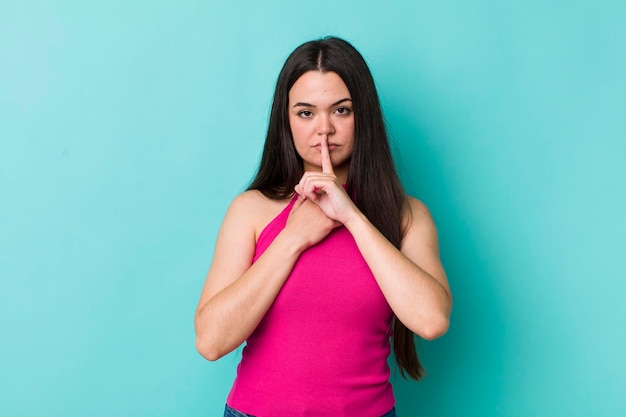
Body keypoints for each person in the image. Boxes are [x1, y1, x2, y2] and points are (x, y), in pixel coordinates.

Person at [194, 36, 452, 417]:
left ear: (363, 116)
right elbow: (211, 341)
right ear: (286, 121)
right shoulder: (251, 210)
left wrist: (351, 216)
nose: (324, 129)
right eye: (305, 113)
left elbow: (431, 321)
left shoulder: (406, 216)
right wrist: (294, 237)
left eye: (342, 110)